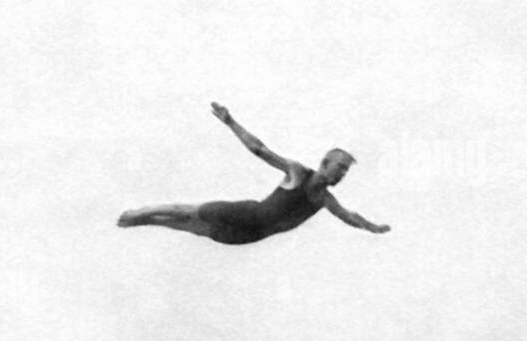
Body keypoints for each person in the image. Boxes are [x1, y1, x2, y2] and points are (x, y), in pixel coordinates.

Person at [117, 102, 391, 243]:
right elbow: (259, 149)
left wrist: (371, 227)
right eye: (340, 167)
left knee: (194, 229)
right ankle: (141, 212)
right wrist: (231, 122)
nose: (342, 174)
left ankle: (143, 221)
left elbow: (349, 217)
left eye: (345, 171)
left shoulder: (325, 200)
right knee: (186, 212)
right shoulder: (298, 172)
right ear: (325, 162)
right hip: (246, 214)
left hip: (251, 236)